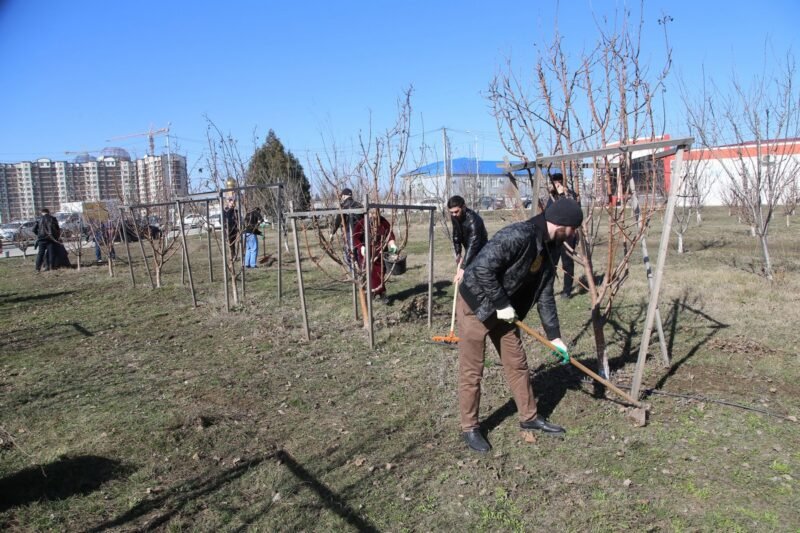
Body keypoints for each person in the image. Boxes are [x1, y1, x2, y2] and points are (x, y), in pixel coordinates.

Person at [456, 198, 584, 452]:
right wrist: (502, 304)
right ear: (562, 225)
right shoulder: (518, 234)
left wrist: (554, 337)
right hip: (475, 304)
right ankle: (469, 427)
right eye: (573, 229)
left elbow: (545, 292)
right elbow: (481, 269)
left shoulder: (551, 247)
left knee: (517, 363)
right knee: (473, 370)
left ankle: (529, 417)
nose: (574, 235)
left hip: (503, 310)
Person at [352, 211, 397, 304]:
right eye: (372, 214)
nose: (374, 216)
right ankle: (381, 294)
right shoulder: (362, 223)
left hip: (380, 252)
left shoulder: (383, 222)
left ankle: (375, 292)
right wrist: (361, 247)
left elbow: (389, 234)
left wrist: (392, 244)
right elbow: (355, 237)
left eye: (376, 213)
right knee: (370, 274)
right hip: (366, 253)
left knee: (380, 273)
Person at [545, 173, 579, 298]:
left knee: (567, 263)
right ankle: (547, 290)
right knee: (551, 263)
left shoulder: (570, 195)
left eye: (556, 182)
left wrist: (562, 195)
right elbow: (548, 212)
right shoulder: (551, 197)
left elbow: (573, 211)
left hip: (568, 235)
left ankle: (567, 291)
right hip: (554, 235)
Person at [448, 195, 488, 284]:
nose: (454, 215)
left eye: (456, 211)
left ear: (464, 207)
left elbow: (473, 246)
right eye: (451, 212)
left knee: (479, 278)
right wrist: (458, 253)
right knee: (469, 279)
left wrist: (462, 268)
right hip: (469, 249)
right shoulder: (455, 217)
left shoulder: (474, 221)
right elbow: (456, 234)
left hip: (481, 252)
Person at [330, 188, 364, 269]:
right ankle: (362, 270)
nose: (341, 198)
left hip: (350, 232)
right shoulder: (360, 205)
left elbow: (337, 221)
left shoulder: (343, 207)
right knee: (360, 251)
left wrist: (332, 233)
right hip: (361, 231)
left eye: (342, 196)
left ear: (344, 196)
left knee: (349, 254)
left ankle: (354, 272)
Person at [33, 208, 60, 272]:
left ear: (42, 212)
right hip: (51, 239)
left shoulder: (38, 219)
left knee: (40, 254)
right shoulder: (53, 218)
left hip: (41, 239)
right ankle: (51, 267)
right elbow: (57, 229)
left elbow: (33, 230)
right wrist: (56, 237)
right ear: (48, 212)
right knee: (51, 253)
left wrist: (39, 234)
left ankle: (37, 268)